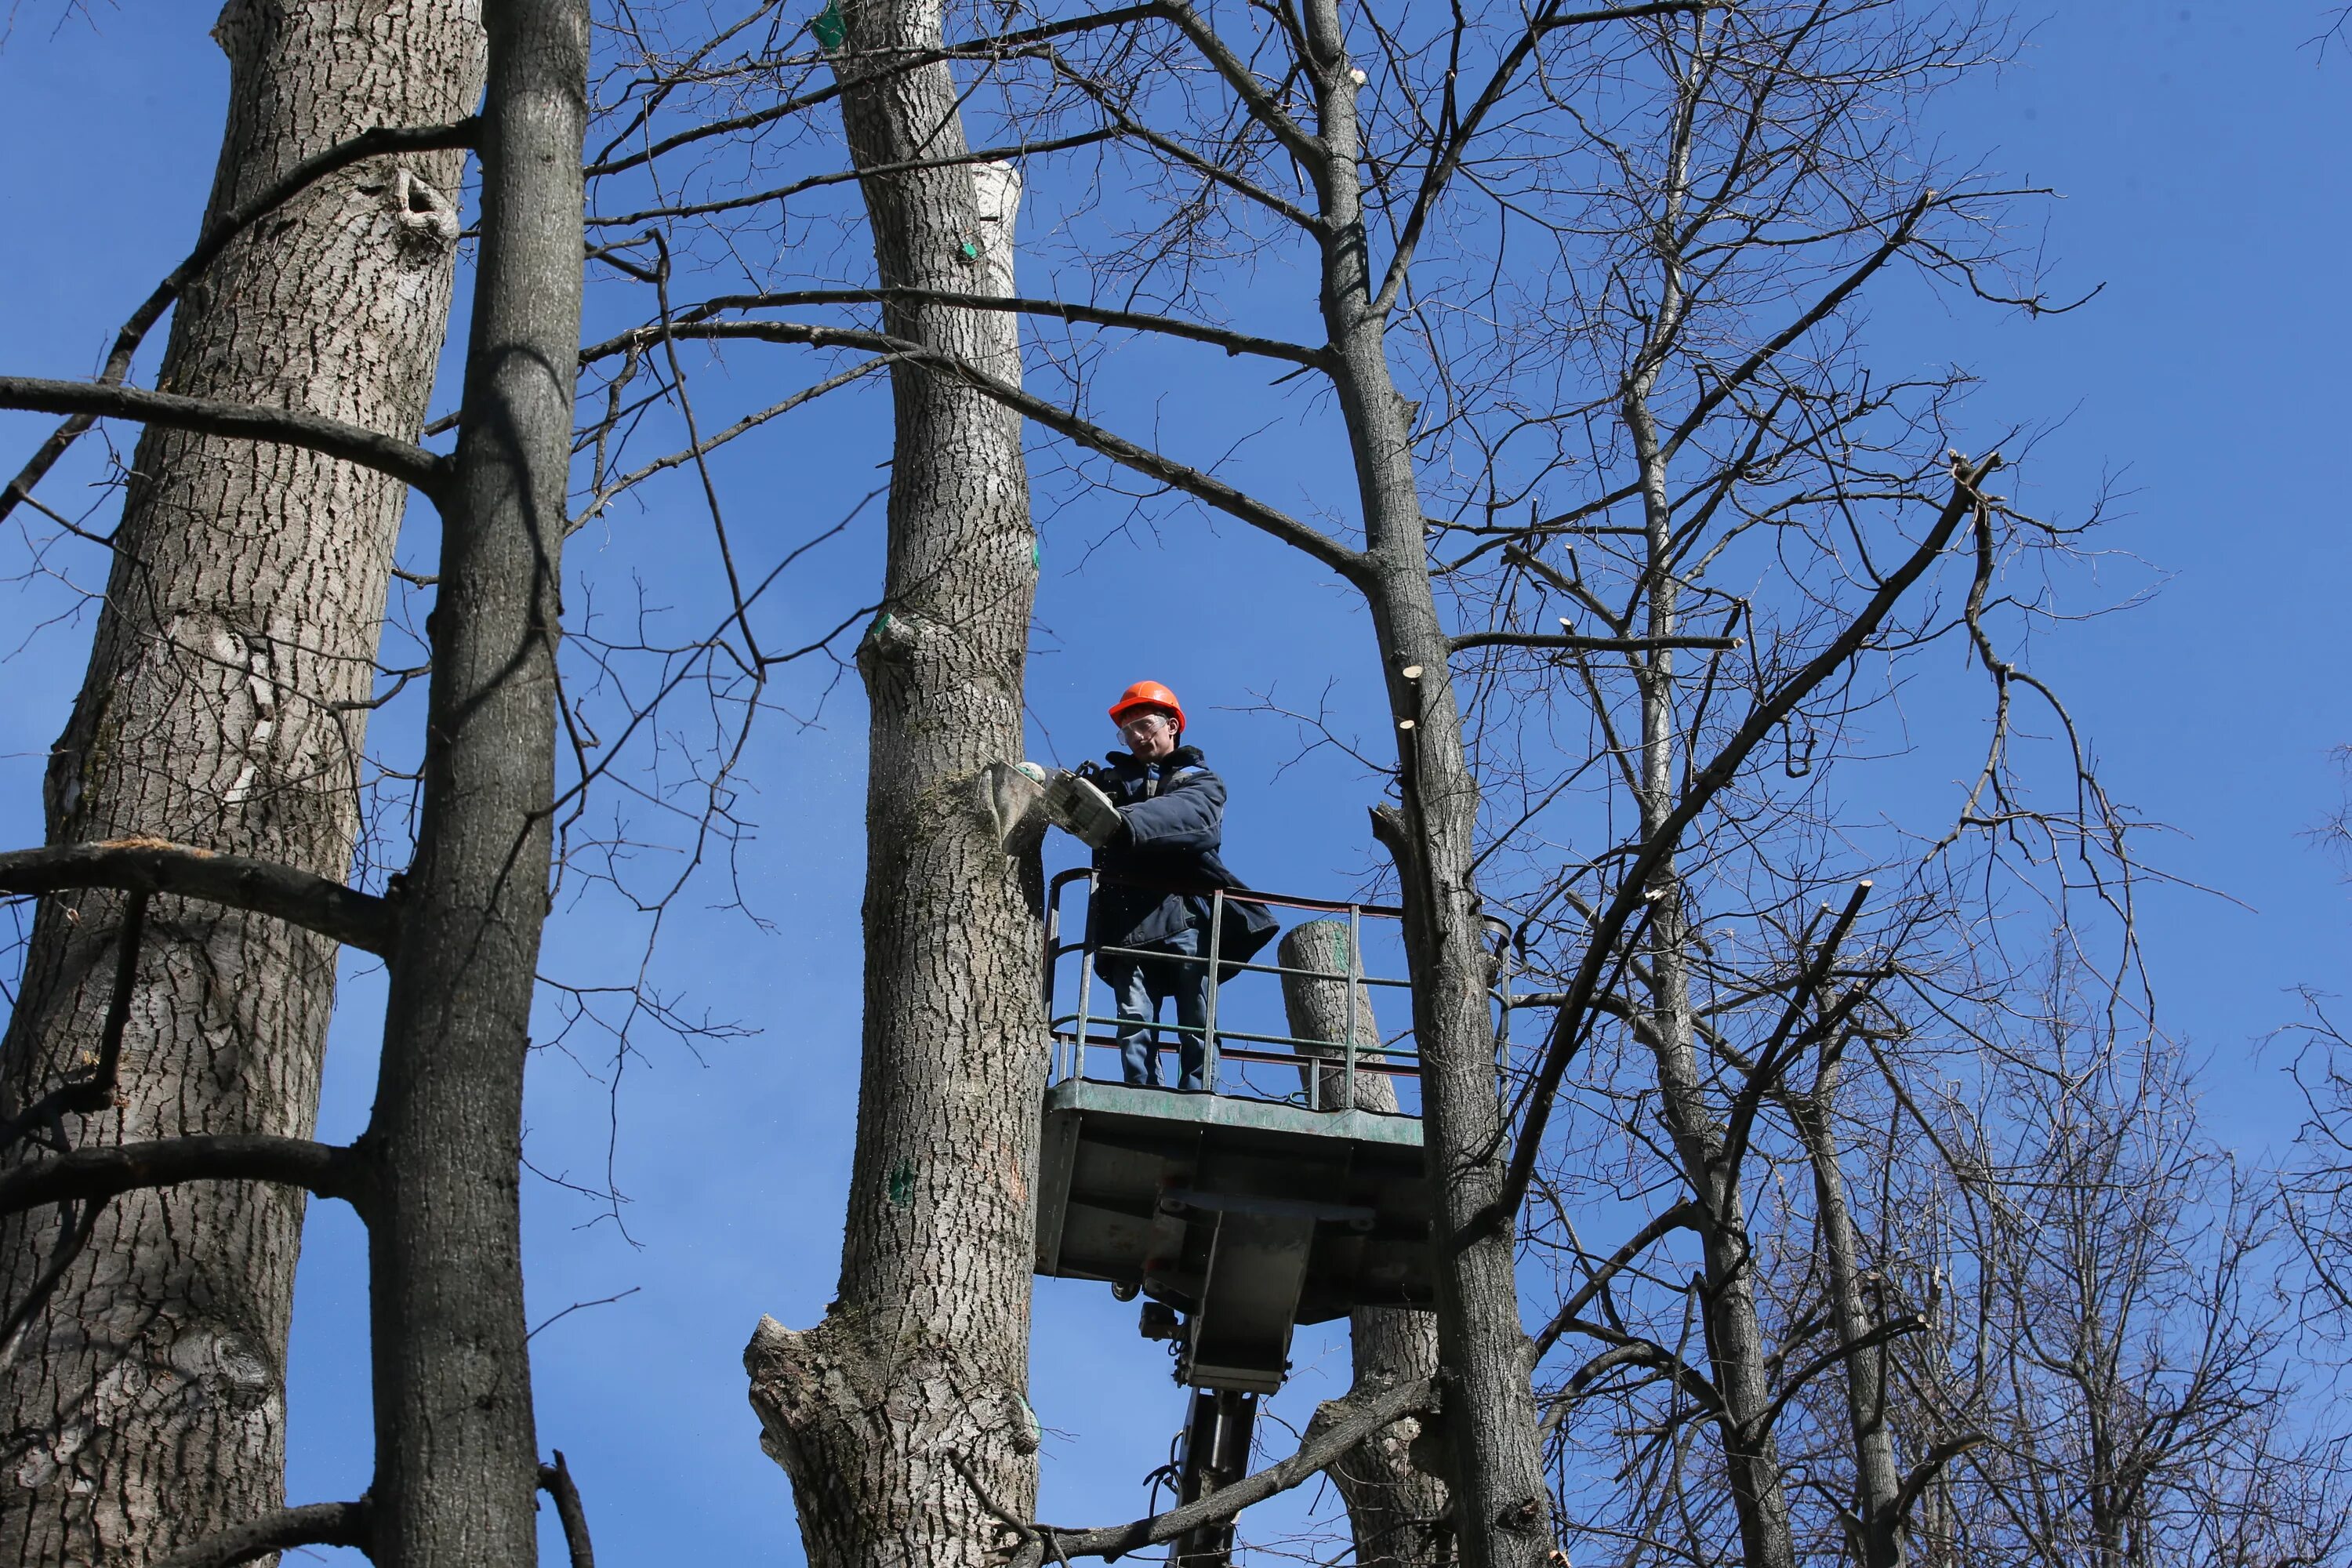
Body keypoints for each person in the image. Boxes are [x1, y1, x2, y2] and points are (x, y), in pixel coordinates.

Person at [1070, 681, 1276, 1091]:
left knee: (1196, 1012)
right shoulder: (1108, 784)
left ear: (1171, 726)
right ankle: (1139, 1090)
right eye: (1126, 730)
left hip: (1182, 912)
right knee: (1133, 1018)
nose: (1135, 736)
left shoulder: (1198, 781)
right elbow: (1074, 808)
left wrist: (1123, 823)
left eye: (1143, 725)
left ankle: (1199, 1091)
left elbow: (1193, 818)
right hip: (1124, 921)